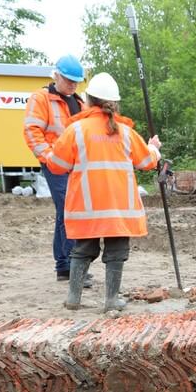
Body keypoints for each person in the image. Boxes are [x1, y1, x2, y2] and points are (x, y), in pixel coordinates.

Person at [45, 72, 160, 312]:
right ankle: (111, 300)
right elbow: (147, 162)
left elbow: (56, 165)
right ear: (115, 103)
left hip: (86, 209)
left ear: (87, 100)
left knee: (82, 250)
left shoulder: (76, 130)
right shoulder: (126, 132)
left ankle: (74, 298)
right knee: (116, 251)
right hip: (118, 210)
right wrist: (154, 148)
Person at [23, 55, 89, 284]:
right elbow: (32, 131)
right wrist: (50, 158)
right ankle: (72, 266)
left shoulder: (79, 103)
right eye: (69, 80)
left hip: (74, 165)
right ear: (56, 75)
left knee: (66, 211)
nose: (73, 85)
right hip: (55, 164)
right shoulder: (41, 99)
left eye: (76, 82)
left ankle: (64, 266)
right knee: (68, 210)